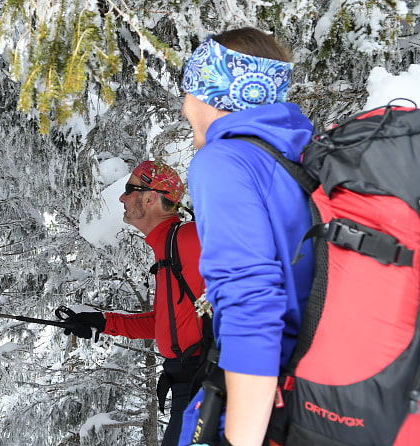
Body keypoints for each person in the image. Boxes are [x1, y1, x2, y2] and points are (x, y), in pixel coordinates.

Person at [178, 27, 315, 446]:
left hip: (266, 406)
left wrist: (240, 435)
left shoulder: (224, 161)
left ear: (208, 90)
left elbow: (250, 302)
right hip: (311, 392)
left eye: (188, 87)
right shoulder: (296, 154)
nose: (184, 103)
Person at [59, 161, 207, 446]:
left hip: (208, 386)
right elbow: (165, 322)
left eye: (130, 190)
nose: (122, 198)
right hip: (187, 386)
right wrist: (102, 322)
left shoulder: (191, 239)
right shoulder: (169, 248)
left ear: (150, 197)